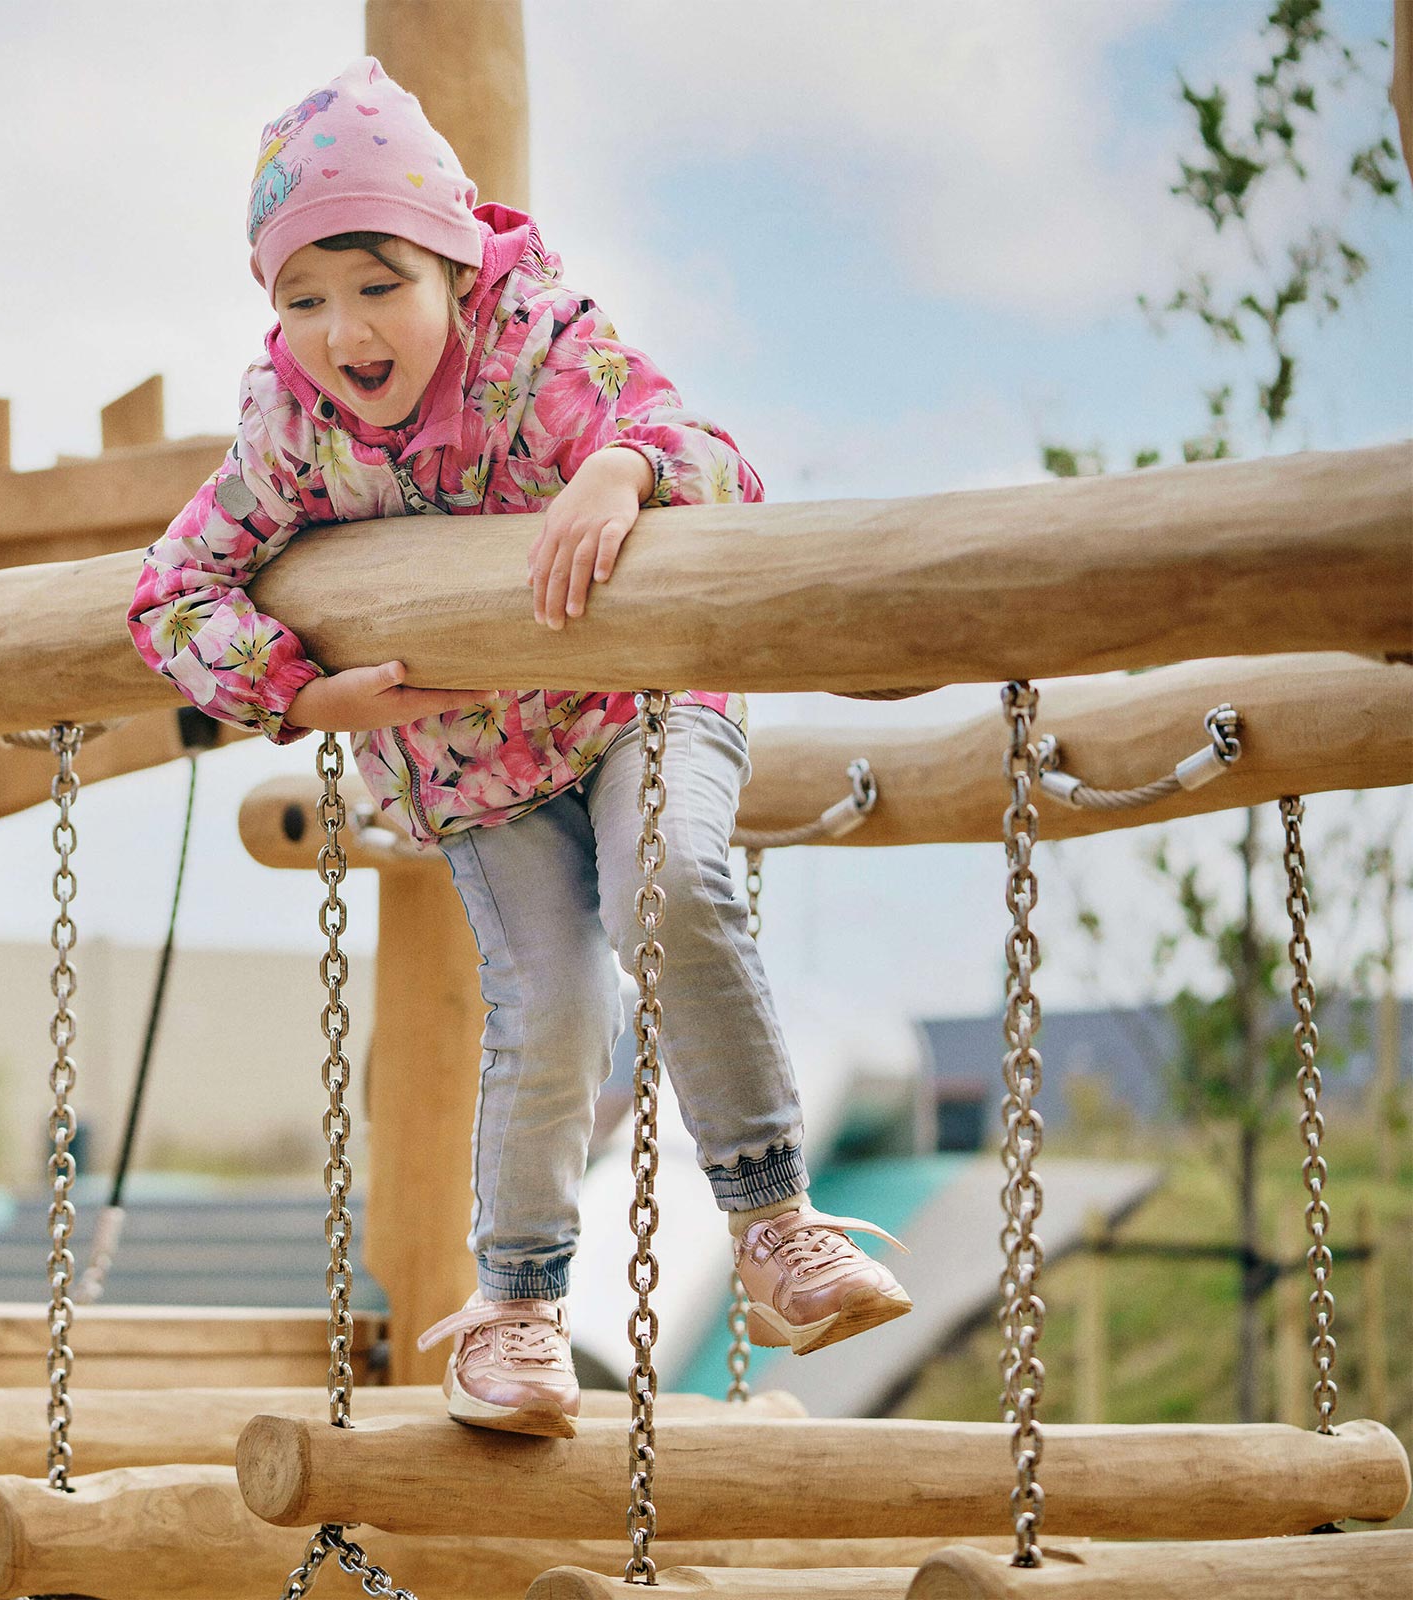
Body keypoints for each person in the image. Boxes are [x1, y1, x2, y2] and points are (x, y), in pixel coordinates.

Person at [129, 58, 910, 1438]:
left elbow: (705, 447)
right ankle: (521, 1312)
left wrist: (622, 471)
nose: (343, 329)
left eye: (378, 285)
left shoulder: (540, 351)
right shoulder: (287, 434)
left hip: (637, 706)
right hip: (477, 765)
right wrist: (304, 695)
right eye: (301, 297)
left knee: (667, 881)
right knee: (549, 999)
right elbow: (171, 596)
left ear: (448, 264)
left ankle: (778, 1225)